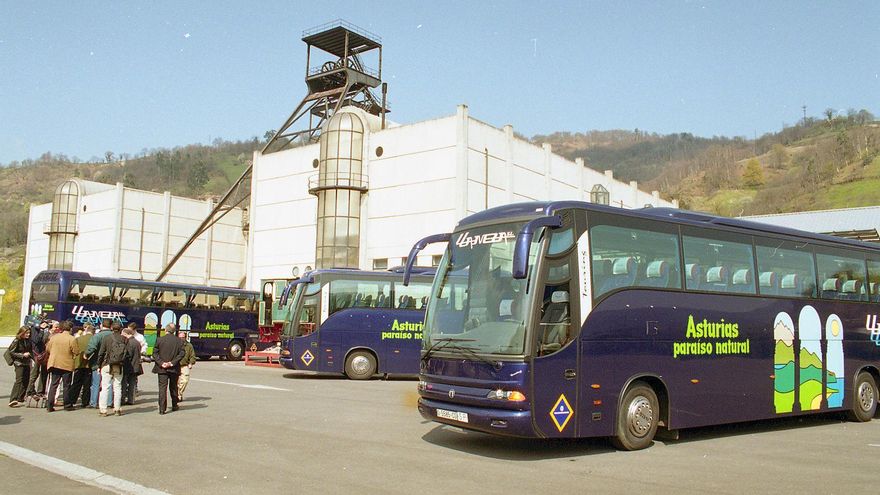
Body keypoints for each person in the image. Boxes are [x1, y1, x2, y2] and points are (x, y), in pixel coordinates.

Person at [44, 320, 80, 412]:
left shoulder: (54, 337)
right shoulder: (71, 339)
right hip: (66, 365)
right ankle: (67, 405)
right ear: (71, 329)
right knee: (66, 385)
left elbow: (47, 348)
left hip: (54, 363)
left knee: (53, 384)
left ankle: (49, 405)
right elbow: (76, 351)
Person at [152, 323, 184, 414]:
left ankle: (162, 409)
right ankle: (174, 405)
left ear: (165, 330)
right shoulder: (179, 341)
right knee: (173, 387)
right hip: (174, 368)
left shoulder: (159, 340)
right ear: (174, 331)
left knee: (162, 388)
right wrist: (172, 363)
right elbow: (181, 354)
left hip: (162, 368)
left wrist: (161, 363)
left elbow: (154, 353)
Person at [96, 322, 126, 416]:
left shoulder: (107, 338)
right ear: (121, 329)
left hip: (107, 364)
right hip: (119, 365)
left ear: (112, 328)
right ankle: (117, 409)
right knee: (117, 387)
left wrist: (98, 365)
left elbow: (101, 353)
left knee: (105, 387)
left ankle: (103, 410)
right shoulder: (124, 339)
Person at [85, 319, 113, 408]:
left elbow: (92, 348)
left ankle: (93, 402)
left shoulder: (97, 336)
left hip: (97, 362)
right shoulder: (114, 336)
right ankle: (109, 402)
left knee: (95, 384)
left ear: (101, 325)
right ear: (111, 326)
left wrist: (86, 354)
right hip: (112, 362)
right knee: (108, 384)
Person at [68, 324, 95, 408]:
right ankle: (85, 402)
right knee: (87, 384)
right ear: (93, 332)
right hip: (89, 364)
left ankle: (72, 400)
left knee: (76, 383)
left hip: (78, 363)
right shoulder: (94, 339)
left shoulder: (78, 339)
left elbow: (74, 350)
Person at [7, 326, 33, 407]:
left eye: (29, 333)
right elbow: (11, 352)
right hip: (18, 363)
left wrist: (32, 358)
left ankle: (20, 398)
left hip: (26, 362)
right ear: (22, 333)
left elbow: (31, 350)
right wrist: (22, 355)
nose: (28, 334)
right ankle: (13, 399)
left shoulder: (28, 340)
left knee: (26, 380)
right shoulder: (17, 340)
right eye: (26, 333)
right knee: (19, 380)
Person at [25, 319, 51, 396]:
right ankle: (29, 391)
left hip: (44, 354)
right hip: (36, 354)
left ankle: (40, 391)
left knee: (44, 373)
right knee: (34, 374)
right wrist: (42, 330)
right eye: (43, 323)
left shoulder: (46, 331)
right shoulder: (34, 330)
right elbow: (37, 340)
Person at [121, 327, 143, 406]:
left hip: (128, 366)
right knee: (132, 384)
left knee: (124, 383)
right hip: (136, 366)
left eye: (122, 334)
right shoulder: (137, 342)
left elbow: (128, 355)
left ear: (126, 334)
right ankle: (131, 399)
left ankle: (122, 399)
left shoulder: (129, 342)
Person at [177, 331, 196, 401]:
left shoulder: (189, 345)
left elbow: (192, 356)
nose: (181, 339)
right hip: (176, 365)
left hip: (185, 365)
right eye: (180, 337)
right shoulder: (175, 344)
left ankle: (179, 393)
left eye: (183, 337)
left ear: (185, 337)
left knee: (185, 381)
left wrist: (191, 363)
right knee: (176, 382)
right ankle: (177, 395)